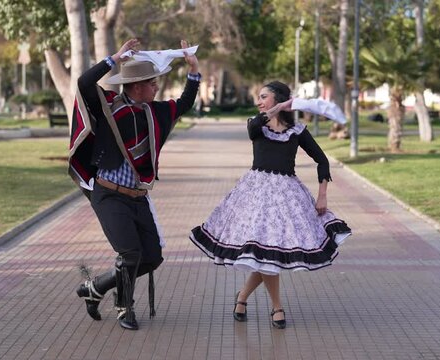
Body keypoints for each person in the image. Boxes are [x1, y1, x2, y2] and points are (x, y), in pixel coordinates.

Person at [189, 81, 352, 329]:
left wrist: (322, 196)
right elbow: (255, 125)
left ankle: (242, 298)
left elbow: (322, 160)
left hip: (287, 197)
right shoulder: (257, 126)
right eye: (258, 97)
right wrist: (277, 109)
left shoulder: (297, 131)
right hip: (255, 197)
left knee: (267, 255)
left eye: (264, 97)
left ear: (278, 100)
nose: (258, 101)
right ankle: (277, 307)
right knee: (265, 254)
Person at [68, 38, 200, 330]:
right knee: (130, 253)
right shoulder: (110, 107)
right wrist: (113, 58)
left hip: (138, 196)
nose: (156, 88)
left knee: (152, 257)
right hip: (109, 195)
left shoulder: (155, 113)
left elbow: (185, 102)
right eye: (152, 84)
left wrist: (193, 69)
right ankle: (124, 307)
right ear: (137, 85)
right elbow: (83, 82)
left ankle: (96, 287)